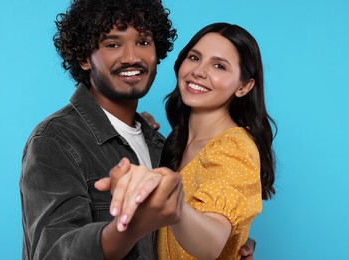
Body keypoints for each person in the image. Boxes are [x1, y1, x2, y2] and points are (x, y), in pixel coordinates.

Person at [19, 0, 256, 258]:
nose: (132, 57)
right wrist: (128, 228)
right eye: (112, 44)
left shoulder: (159, 144)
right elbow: (54, 252)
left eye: (143, 42)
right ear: (85, 58)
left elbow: (181, 236)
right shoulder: (56, 140)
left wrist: (232, 245)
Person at [102, 22, 276, 259]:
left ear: (244, 86)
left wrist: (172, 203)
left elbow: (211, 244)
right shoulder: (175, 142)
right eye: (194, 58)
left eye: (219, 66)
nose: (199, 71)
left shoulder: (233, 147)